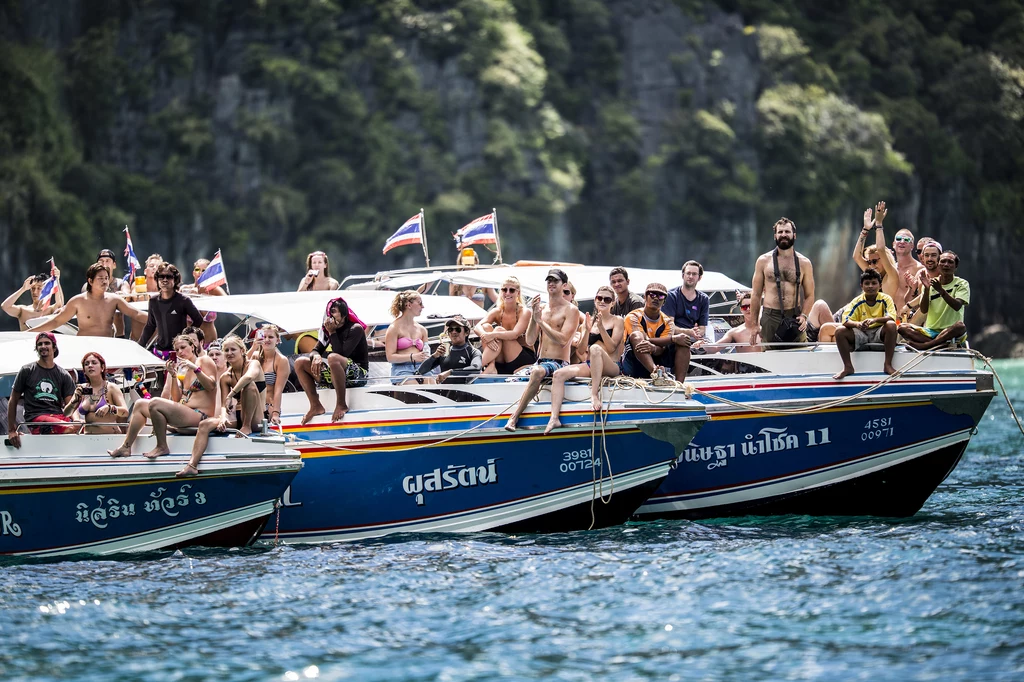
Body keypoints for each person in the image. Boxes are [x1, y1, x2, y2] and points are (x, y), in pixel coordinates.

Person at [107, 334, 219, 459]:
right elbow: (176, 399)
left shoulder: (204, 360)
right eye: (177, 350)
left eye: (183, 347)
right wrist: (173, 375)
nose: (180, 352)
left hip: (201, 415)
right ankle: (126, 447)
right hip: (186, 413)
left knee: (155, 402)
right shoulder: (182, 369)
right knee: (139, 404)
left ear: (192, 346)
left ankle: (162, 446)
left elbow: (211, 386)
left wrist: (196, 369)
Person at [175, 335, 267, 477]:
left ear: (242, 350)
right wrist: (223, 417)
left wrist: (232, 394)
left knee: (249, 386)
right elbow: (224, 403)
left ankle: (246, 426)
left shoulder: (253, 364)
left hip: (256, 417)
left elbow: (249, 377)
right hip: (237, 417)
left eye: (233, 349)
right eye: (226, 350)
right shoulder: (226, 376)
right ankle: (192, 465)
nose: (229, 353)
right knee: (205, 424)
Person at [504, 269, 579, 432]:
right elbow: (530, 340)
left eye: (555, 281)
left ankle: (514, 417)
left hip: (559, 363)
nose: (551, 283)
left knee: (537, 371)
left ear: (564, 285)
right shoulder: (542, 309)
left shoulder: (570, 310)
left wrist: (541, 322)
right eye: (549, 280)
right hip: (540, 361)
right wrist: (534, 317)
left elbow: (563, 340)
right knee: (511, 378)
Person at [547, 285, 625, 430]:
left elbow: (612, 348)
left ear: (612, 303)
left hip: (612, 366)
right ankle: (554, 418)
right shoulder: (588, 321)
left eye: (607, 299)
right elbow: (582, 350)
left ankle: (594, 394)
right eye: (599, 298)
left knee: (596, 348)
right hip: (592, 365)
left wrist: (601, 328)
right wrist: (588, 331)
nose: (602, 301)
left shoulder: (617, 320)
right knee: (558, 374)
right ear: (595, 300)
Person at [294, 297, 369, 423]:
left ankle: (341, 404)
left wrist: (332, 332)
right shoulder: (328, 330)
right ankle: (315, 405)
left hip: (358, 375)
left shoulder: (355, 329)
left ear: (343, 314)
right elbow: (315, 349)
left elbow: (341, 354)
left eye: (333, 312)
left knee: (333, 358)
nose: (330, 315)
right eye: (329, 312)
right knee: (300, 362)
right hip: (337, 373)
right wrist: (316, 356)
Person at [749, 217, 815, 347]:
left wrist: (804, 316)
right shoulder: (763, 261)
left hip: (795, 315)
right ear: (775, 236)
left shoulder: (804, 263)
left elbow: (810, 295)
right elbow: (756, 295)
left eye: (787, 231)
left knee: (800, 354)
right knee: (770, 357)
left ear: (794, 235)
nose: (783, 235)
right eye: (780, 232)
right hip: (770, 316)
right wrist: (754, 325)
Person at [34, 262, 147, 337]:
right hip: (85, 347)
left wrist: (161, 320)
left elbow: (136, 314)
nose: (104, 281)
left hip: (107, 346)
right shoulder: (77, 301)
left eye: (106, 278)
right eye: (100, 278)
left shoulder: (114, 300)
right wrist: (29, 332)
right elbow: (57, 321)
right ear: (90, 281)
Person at [6, 333, 77, 446]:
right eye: (40, 344)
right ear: (37, 348)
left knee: (83, 429)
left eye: (47, 343)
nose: (43, 346)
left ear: (54, 347)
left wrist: (78, 421)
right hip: (36, 417)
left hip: (58, 417)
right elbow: (13, 400)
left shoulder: (64, 374)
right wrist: (11, 430)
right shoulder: (27, 370)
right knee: (70, 428)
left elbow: (71, 404)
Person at [832, 269, 898, 380]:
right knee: (840, 331)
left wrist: (874, 320)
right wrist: (858, 324)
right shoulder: (857, 301)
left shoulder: (885, 299)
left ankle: (888, 365)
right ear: (861, 286)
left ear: (880, 285)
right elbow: (845, 320)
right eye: (867, 283)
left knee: (891, 325)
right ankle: (848, 367)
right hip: (862, 333)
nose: (870, 286)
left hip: (879, 332)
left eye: (874, 283)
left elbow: (891, 316)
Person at [898, 251, 969, 350]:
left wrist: (940, 290)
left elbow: (957, 306)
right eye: (943, 261)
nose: (946, 265)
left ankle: (927, 345)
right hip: (930, 332)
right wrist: (926, 289)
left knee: (960, 326)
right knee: (902, 328)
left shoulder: (961, 283)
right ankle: (938, 344)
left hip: (951, 331)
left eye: (950, 262)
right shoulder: (930, 284)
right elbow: (924, 309)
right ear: (938, 265)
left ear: (955, 266)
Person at [137, 262, 205, 360]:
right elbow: (150, 326)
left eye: (168, 277)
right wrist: (139, 346)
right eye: (161, 277)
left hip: (179, 352)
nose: (165, 280)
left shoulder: (183, 300)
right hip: (160, 352)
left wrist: (185, 338)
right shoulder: (153, 301)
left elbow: (198, 319)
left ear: (175, 280)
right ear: (157, 279)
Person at [476, 276, 536, 374]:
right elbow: (477, 326)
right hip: (501, 358)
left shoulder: (524, 312)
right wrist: (485, 335)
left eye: (511, 290)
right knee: (486, 327)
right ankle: (491, 365)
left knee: (498, 330)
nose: (507, 293)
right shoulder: (497, 311)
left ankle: (477, 366)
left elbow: (515, 334)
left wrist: (493, 335)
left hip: (522, 359)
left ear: (518, 293)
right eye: (504, 290)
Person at [662, 260, 710, 377]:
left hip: (694, 339)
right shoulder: (671, 296)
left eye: (694, 274)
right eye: (688, 273)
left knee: (715, 351)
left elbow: (703, 328)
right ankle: (679, 380)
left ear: (699, 278)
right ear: (683, 275)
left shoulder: (704, 299)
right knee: (684, 344)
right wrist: (689, 332)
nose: (690, 276)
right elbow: (670, 327)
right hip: (674, 338)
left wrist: (698, 334)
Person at [620, 283, 676, 379]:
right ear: (644, 297)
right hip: (633, 362)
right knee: (636, 335)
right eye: (652, 294)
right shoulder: (633, 316)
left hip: (657, 359)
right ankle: (656, 373)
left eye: (661, 296)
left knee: (684, 342)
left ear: (664, 301)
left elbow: (662, 348)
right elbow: (641, 340)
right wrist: (673, 339)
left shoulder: (668, 323)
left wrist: (654, 348)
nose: (656, 298)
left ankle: (680, 386)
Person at [67, 352, 128, 434]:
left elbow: (125, 412)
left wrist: (110, 408)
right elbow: (67, 413)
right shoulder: (82, 389)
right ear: (84, 370)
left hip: (110, 438)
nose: (90, 365)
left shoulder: (111, 388)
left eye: (94, 363)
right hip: (88, 438)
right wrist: (75, 403)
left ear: (102, 367)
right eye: (86, 364)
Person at [384, 291, 434, 385]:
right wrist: (412, 357)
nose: (422, 307)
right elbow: (390, 357)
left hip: (422, 367)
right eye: (420, 303)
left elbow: (427, 353)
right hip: (402, 369)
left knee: (433, 387)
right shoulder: (394, 328)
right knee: (415, 390)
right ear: (408, 305)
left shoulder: (422, 329)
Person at [416, 316, 483, 383]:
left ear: (466, 332)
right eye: (450, 329)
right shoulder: (444, 351)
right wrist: (434, 356)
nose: (453, 332)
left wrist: (451, 372)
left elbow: (476, 368)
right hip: (443, 392)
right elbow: (421, 371)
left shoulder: (473, 352)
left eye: (457, 329)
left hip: (465, 391)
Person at [248, 326, 290, 425]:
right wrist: (254, 346)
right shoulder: (255, 356)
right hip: (251, 404)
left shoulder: (281, 360)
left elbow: (278, 390)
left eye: (270, 337)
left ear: (278, 340)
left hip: (268, 406)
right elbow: (238, 366)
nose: (267, 340)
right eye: (264, 337)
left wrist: (276, 413)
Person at [182, 258, 227, 345]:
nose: (200, 272)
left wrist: (204, 297)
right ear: (193, 273)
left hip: (209, 342)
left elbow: (230, 303)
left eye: (204, 270)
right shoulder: (185, 290)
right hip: (187, 343)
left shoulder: (214, 290)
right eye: (197, 269)